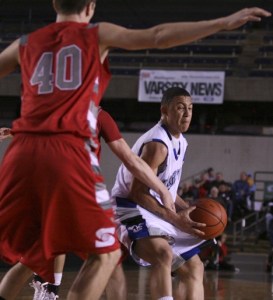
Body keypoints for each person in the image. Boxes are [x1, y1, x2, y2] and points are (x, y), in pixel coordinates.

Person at [0, 1, 270, 299]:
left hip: (19, 154)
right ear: (90, 6)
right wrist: (222, 22)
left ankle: (46, 289)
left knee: (34, 252)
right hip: (66, 154)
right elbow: (158, 36)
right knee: (106, 253)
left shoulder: (24, 43)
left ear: (54, 3)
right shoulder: (96, 34)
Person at [0, 106, 177, 300]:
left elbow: (33, 133)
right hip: (74, 191)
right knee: (110, 258)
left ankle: (50, 290)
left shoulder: (65, 110)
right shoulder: (81, 112)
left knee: (40, 255)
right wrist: (161, 188)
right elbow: (130, 159)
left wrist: (14, 132)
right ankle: (50, 290)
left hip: (56, 191)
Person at [111, 87, 216, 300]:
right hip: (129, 206)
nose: (187, 113)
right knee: (163, 254)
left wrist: (189, 212)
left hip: (153, 207)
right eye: (180, 108)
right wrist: (176, 219)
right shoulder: (157, 145)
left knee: (195, 267)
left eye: (190, 108)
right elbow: (137, 193)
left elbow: (167, 189)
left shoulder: (181, 141)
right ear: (165, 111)